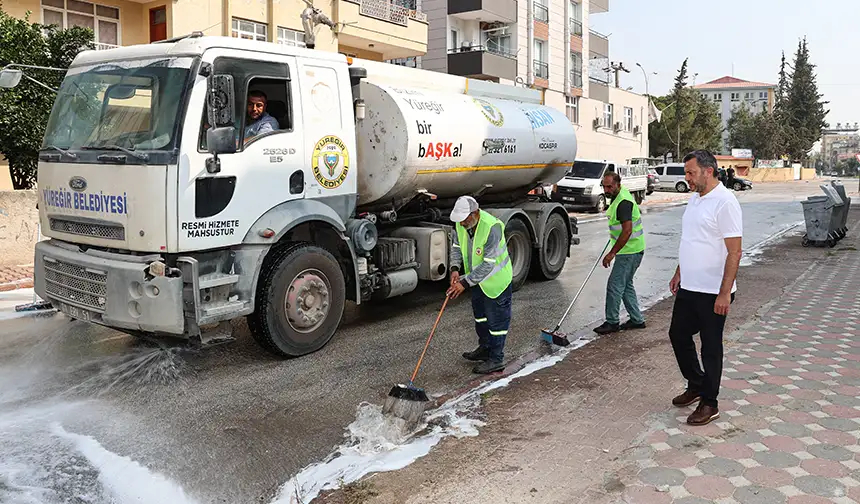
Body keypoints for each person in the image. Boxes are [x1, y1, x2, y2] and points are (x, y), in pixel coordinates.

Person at [669, 150, 743, 426]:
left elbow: (734, 252)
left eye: (691, 172)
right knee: (678, 334)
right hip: (690, 286)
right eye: (686, 173)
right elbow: (691, 240)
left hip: (714, 290)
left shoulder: (725, 202)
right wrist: (679, 272)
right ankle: (697, 383)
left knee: (710, 348)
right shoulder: (695, 199)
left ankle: (710, 403)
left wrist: (725, 292)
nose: (687, 178)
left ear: (708, 171)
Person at [446, 196, 513, 374]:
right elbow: (456, 247)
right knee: (481, 318)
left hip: (496, 282)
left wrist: (464, 283)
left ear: (475, 213)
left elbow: (488, 263)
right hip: (477, 282)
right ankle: (485, 349)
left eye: (465, 219)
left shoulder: (492, 227)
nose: (461, 224)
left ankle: (496, 359)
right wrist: (454, 269)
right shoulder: (460, 225)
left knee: (496, 322)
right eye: (459, 220)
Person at [593, 171, 647, 335]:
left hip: (630, 251)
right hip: (632, 249)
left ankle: (612, 322)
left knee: (615, 286)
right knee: (625, 286)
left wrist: (612, 253)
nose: (607, 189)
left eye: (610, 186)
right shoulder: (619, 198)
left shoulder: (623, 201)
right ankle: (637, 320)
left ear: (618, 184)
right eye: (605, 186)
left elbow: (627, 231)